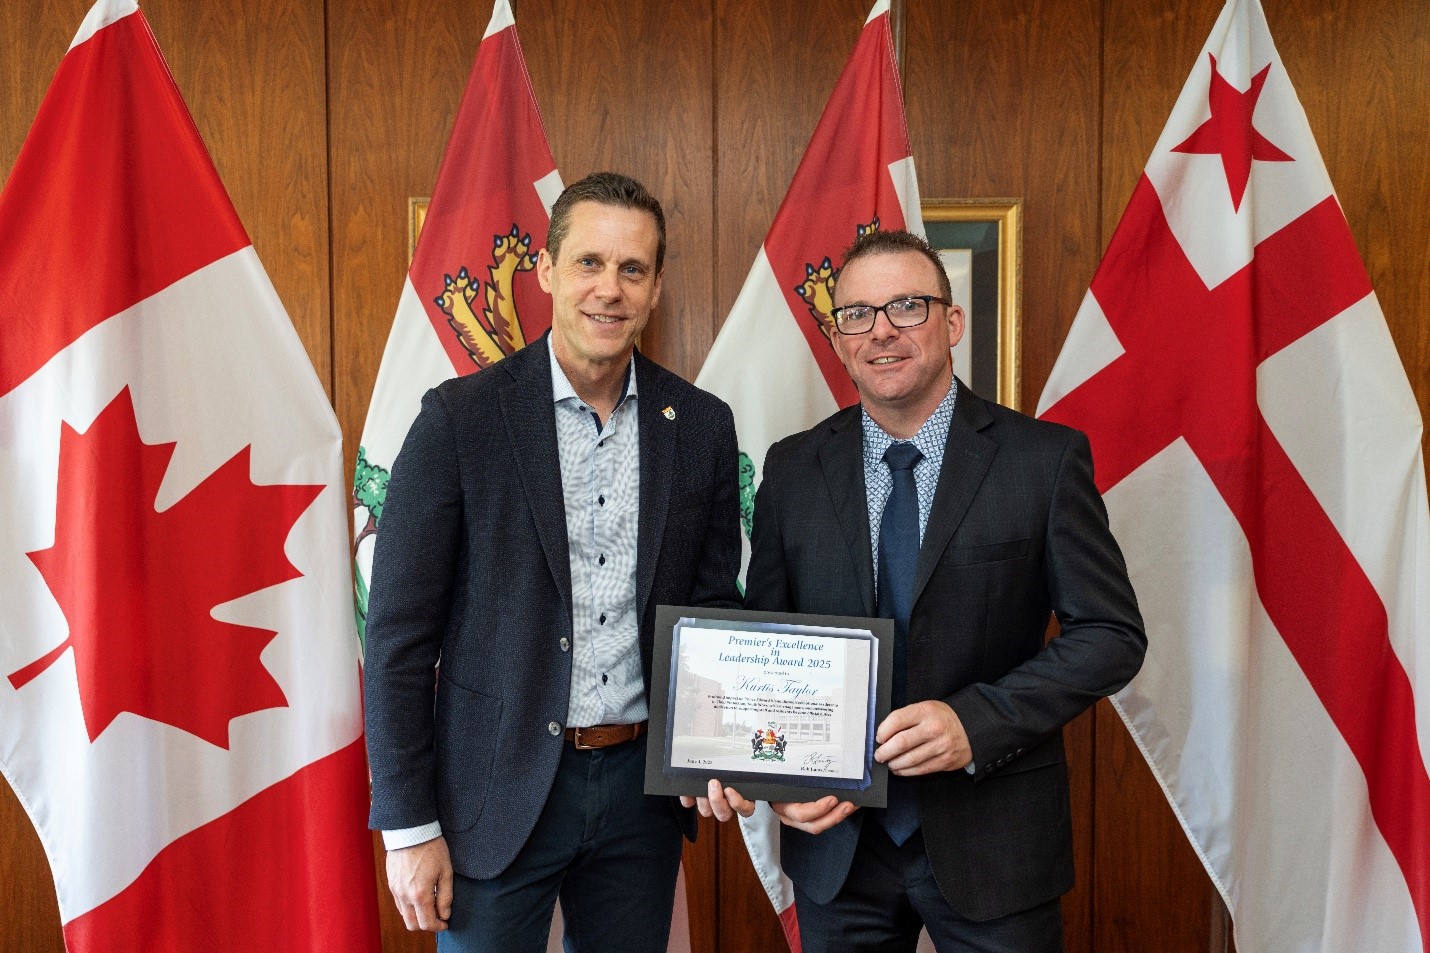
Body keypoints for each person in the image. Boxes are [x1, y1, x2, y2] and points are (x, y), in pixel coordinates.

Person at [696, 229, 1146, 952]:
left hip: (994, 838)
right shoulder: (794, 468)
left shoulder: (1043, 461)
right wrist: (767, 776)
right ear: (839, 340)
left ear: (952, 321)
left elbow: (1111, 636)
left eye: (907, 306)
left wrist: (977, 721)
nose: (881, 331)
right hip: (837, 842)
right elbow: (766, 644)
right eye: (857, 315)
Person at [363, 172, 742, 952]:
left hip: (641, 797)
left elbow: (709, 614)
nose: (610, 288)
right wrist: (409, 825)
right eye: (589, 262)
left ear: (656, 287)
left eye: (632, 269)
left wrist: (724, 744)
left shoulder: (701, 425)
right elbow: (397, 638)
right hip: (495, 790)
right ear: (545, 270)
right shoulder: (459, 421)